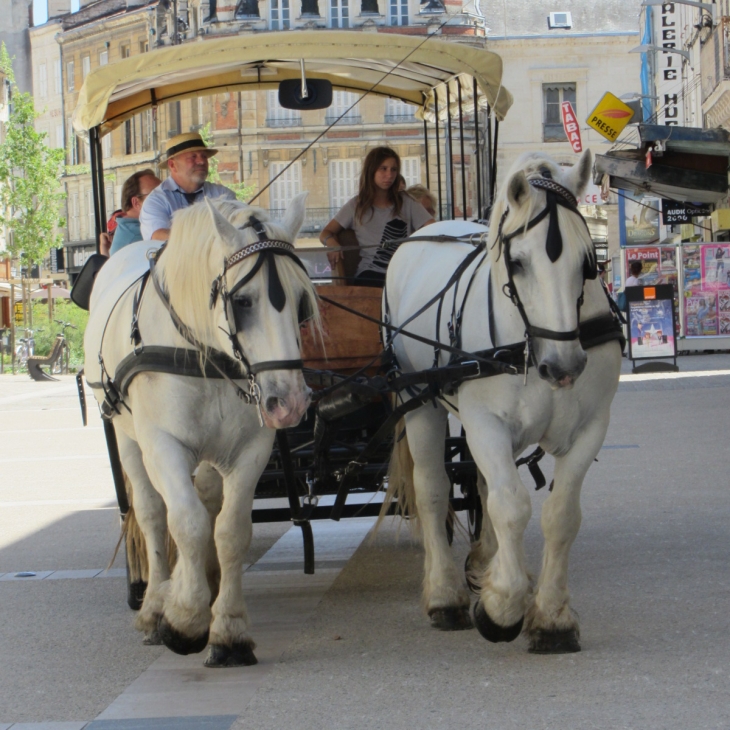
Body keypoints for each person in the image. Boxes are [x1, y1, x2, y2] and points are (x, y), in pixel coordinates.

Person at [320, 147, 435, 287]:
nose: (389, 175)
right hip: (370, 274)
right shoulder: (355, 205)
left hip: (404, 272)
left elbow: (432, 228)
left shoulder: (407, 202)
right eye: (383, 169)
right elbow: (325, 232)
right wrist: (332, 244)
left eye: (393, 169)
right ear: (371, 170)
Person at [140, 132, 236, 241]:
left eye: (204, 156)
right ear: (172, 165)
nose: (201, 161)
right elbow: (158, 235)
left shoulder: (223, 195)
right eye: (193, 157)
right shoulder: (157, 200)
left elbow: (241, 227)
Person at [99, 170, 162, 256]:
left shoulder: (127, 230)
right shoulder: (139, 236)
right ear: (136, 203)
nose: (165, 199)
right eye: (155, 195)